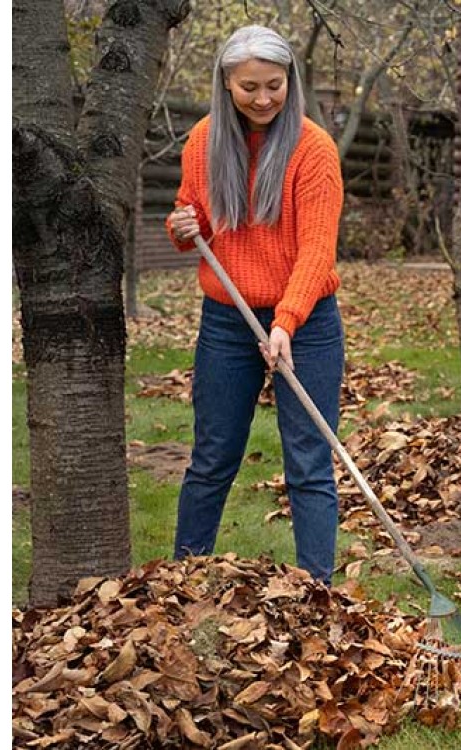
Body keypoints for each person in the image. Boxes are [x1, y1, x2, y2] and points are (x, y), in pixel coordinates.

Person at [165, 25, 345, 584]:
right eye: (249, 87)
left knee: (310, 464)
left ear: (290, 80)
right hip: (226, 320)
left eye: (274, 85)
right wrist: (181, 226)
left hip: (307, 322)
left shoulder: (312, 149)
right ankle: (181, 581)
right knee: (212, 458)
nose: (263, 99)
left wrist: (287, 321)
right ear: (226, 84)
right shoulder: (203, 141)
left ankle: (318, 594)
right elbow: (191, 219)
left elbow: (317, 249)